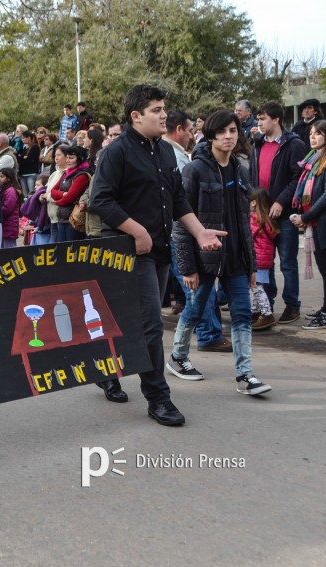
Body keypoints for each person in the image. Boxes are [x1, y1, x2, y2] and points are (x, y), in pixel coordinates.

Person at [89, 84, 226, 425]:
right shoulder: (115, 153)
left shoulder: (166, 152)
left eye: (164, 108)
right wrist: (135, 230)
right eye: (156, 110)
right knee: (151, 323)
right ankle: (158, 398)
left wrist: (199, 231)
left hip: (161, 249)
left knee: (128, 320)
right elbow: (101, 200)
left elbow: (178, 200)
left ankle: (106, 369)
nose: (164, 115)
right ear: (136, 116)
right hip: (129, 251)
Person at [167, 110, 271, 396]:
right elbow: (181, 220)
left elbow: (244, 223)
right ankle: (177, 357)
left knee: (240, 313)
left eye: (233, 131)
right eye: (222, 131)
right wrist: (187, 267)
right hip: (203, 259)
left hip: (235, 258)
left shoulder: (240, 169)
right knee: (196, 309)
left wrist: (250, 265)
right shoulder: (194, 170)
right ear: (211, 135)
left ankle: (245, 375)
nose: (228, 136)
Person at [163, 111, 230, 352]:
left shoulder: (169, 153)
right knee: (197, 290)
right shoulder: (177, 158)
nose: (192, 135)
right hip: (185, 233)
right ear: (179, 129)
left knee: (199, 289)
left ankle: (208, 333)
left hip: (187, 232)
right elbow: (182, 203)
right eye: (190, 130)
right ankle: (207, 335)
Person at [250, 101, 307, 323]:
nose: (259, 123)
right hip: (262, 213)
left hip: (283, 214)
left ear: (276, 120)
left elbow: (298, 177)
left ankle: (292, 305)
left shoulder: (293, 144)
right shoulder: (257, 143)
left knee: (287, 263)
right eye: (258, 119)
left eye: (263, 119)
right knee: (263, 262)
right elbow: (253, 174)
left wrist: (282, 201)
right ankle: (267, 306)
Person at [289, 120, 326, 330]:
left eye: (317, 134)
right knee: (325, 268)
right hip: (316, 220)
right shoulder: (314, 159)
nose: (312, 137)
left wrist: (306, 216)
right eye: (311, 133)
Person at [250, 188, 280, 330]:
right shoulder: (266, 219)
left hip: (257, 259)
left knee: (256, 287)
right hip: (265, 259)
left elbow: (247, 235)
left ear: (254, 203)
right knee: (256, 286)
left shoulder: (254, 219)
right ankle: (255, 312)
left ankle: (267, 314)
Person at [49, 144, 90, 242]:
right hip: (62, 219)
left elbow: (69, 198)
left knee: (72, 252)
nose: (67, 161)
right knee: (62, 251)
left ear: (80, 159)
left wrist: (56, 201)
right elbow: (52, 191)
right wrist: (63, 194)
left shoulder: (82, 176)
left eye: (71, 158)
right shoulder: (66, 173)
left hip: (73, 221)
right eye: (67, 157)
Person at [20, 173, 52, 245]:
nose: (35, 187)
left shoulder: (45, 201)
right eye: (35, 185)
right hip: (38, 233)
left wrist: (38, 229)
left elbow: (47, 219)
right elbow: (38, 217)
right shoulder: (37, 200)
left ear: (45, 186)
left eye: (38, 185)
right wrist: (31, 221)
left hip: (46, 235)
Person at [0, 168, 23, 248]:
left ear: (9, 178)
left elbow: (7, 208)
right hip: (4, 224)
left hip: (9, 225)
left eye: (2, 177)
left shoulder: (11, 191)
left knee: (9, 250)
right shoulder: (2, 188)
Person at [17, 130, 41, 197]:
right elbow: (17, 156)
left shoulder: (35, 147)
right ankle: (26, 205)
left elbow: (30, 160)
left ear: (29, 138)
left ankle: (32, 206)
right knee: (25, 194)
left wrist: (22, 158)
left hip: (31, 174)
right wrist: (23, 158)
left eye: (24, 138)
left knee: (31, 193)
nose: (22, 139)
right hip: (22, 174)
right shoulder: (24, 147)